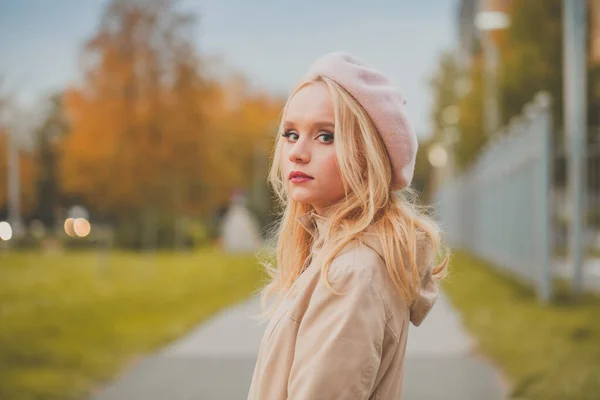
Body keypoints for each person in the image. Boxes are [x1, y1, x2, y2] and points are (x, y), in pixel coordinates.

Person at [247, 51, 451, 399]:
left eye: (325, 136)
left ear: (368, 154)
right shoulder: (333, 255)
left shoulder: (352, 275)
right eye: (290, 133)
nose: (297, 152)